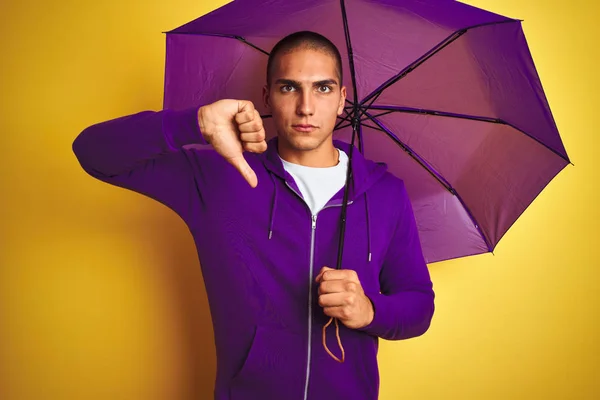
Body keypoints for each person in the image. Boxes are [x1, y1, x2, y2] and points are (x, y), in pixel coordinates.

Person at [72, 30, 435, 400]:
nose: (306, 107)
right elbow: (93, 153)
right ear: (267, 97)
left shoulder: (386, 193)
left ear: (342, 100)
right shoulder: (219, 176)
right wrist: (193, 123)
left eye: (323, 88)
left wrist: (370, 310)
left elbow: (419, 305)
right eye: (289, 87)